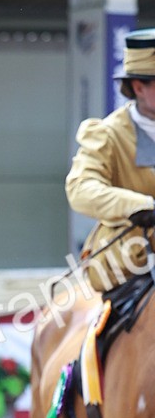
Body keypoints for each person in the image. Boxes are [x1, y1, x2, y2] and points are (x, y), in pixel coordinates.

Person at [66, 28, 155, 291]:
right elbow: (81, 189)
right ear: (139, 87)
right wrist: (142, 205)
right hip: (131, 255)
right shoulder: (107, 134)